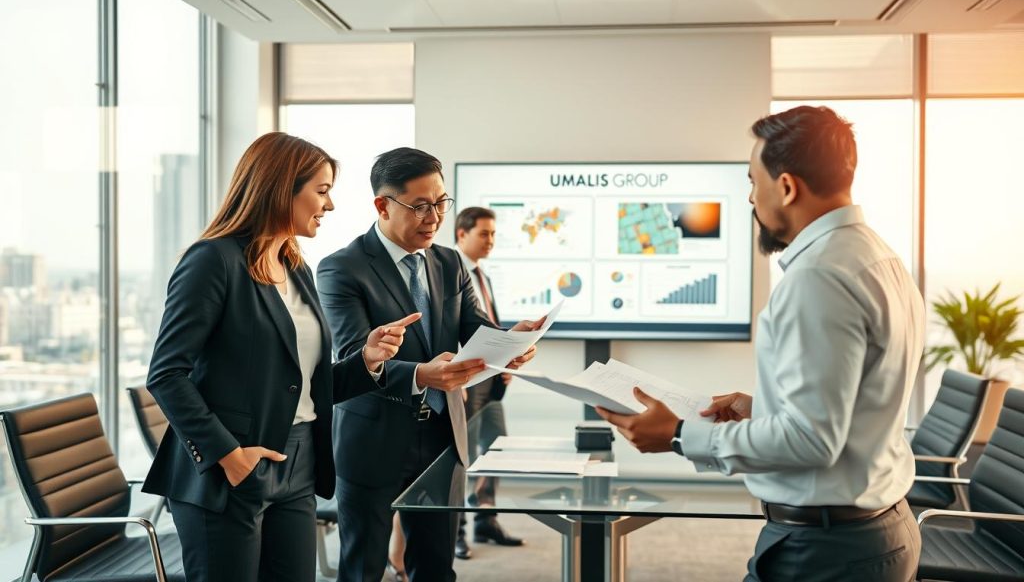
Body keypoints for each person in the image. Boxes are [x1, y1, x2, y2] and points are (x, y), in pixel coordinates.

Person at [596, 106, 925, 582]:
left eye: (753, 182)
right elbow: (855, 403)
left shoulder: (818, 277)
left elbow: (812, 441)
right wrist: (764, 407)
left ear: (787, 186)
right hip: (876, 529)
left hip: (827, 550)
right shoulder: (876, 256)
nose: (751, 198)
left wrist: (677, 436)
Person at [142, 132, 418, 582]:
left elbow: (305, 385)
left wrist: (368, 359)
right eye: (322, 191)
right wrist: (228, 455)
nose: (328, 206)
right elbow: (166, 374)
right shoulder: (213, 260)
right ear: (279, 186)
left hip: (300, 463)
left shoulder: (295, 266)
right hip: (232, 467)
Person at [316, 147, 543, 582]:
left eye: (440, 203)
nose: (434, 217)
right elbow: (351, 358)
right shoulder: (341, 268)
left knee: (437, 567)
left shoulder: (449, 261)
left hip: (443, 436)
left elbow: (476, 329)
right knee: (363, 568)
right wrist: (422, 375)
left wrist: (511, 342)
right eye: (420, 206)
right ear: (383, 206)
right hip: (373, 440)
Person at [453, 206, 525, 559]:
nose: (490, 241)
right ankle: (457, 531)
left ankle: (486, 520)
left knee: (496, 449)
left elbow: (487, 329)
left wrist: (507, 355)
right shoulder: (448, 273)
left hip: (492, 379)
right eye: (484, 234)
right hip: (464, 380)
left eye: (494, 234)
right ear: (461, 234)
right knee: (461, 458)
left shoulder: (483, 277)